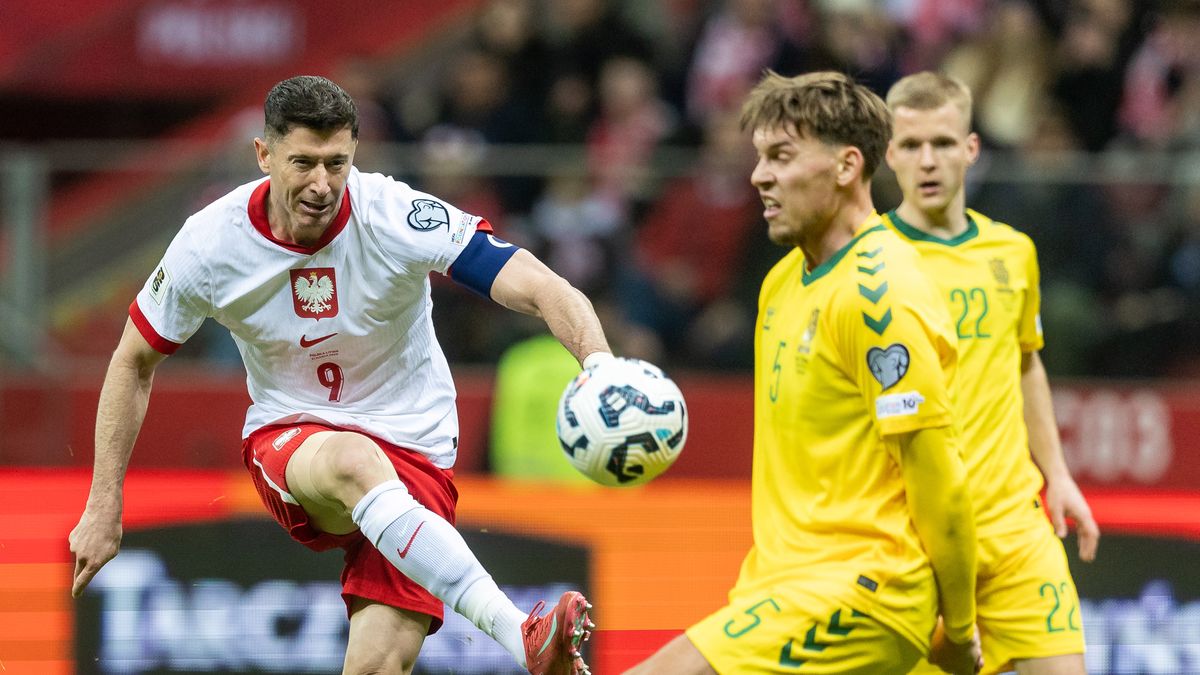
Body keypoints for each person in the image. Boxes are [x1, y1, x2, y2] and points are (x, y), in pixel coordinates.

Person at [67, 75, 610, 675]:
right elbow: (132, 361)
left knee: (378, 667)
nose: (322, 185)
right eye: (303, 162)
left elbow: (538, 284)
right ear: (264, 154)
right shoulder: (210, 243)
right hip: (292, 435)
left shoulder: (395, 215)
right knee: (352, 460)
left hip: (415, 448)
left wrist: (601, 365)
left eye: (337, 163)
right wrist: (103, 503)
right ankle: (522, 635)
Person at [626, 70, 981, 675]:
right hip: (778, 586)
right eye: (760, 157)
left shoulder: (881, 294)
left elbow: (938, 477)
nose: (760, 175)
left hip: (860, 592)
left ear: (847, 166)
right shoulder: (782, 281)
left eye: (781, 156)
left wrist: (961, 626)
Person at [882, 71, 1099, 675]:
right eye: (914, 145)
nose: (930, 160)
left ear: (971, 150)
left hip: (1013, 527)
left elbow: (1026, 360)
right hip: (915, 542)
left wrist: (1057, 473)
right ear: (890, 154)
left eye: (944, 143)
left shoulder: (1013, 252)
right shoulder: (870, 265)